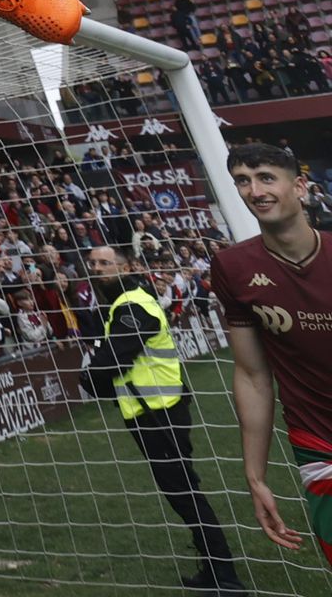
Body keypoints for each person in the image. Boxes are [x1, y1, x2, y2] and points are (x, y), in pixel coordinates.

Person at [83, 245, 241, 591]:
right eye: (92, 263)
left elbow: (104, 369)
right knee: (182, 493)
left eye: (105, 263)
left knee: (185, 493)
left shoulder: (132, 307)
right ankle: (215, 571)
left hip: (159, 415)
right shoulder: (124, 303)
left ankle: (225, 577)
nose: (96, 268)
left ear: (127, 267)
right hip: (152, 412)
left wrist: (90, 376)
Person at [214, 142, 332, 568]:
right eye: (242, 181)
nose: (254, 190)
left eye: (266, 177)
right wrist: (255, 475)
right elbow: (251, 374)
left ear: (300, 187)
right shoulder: (232, 267)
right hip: (319, 445)